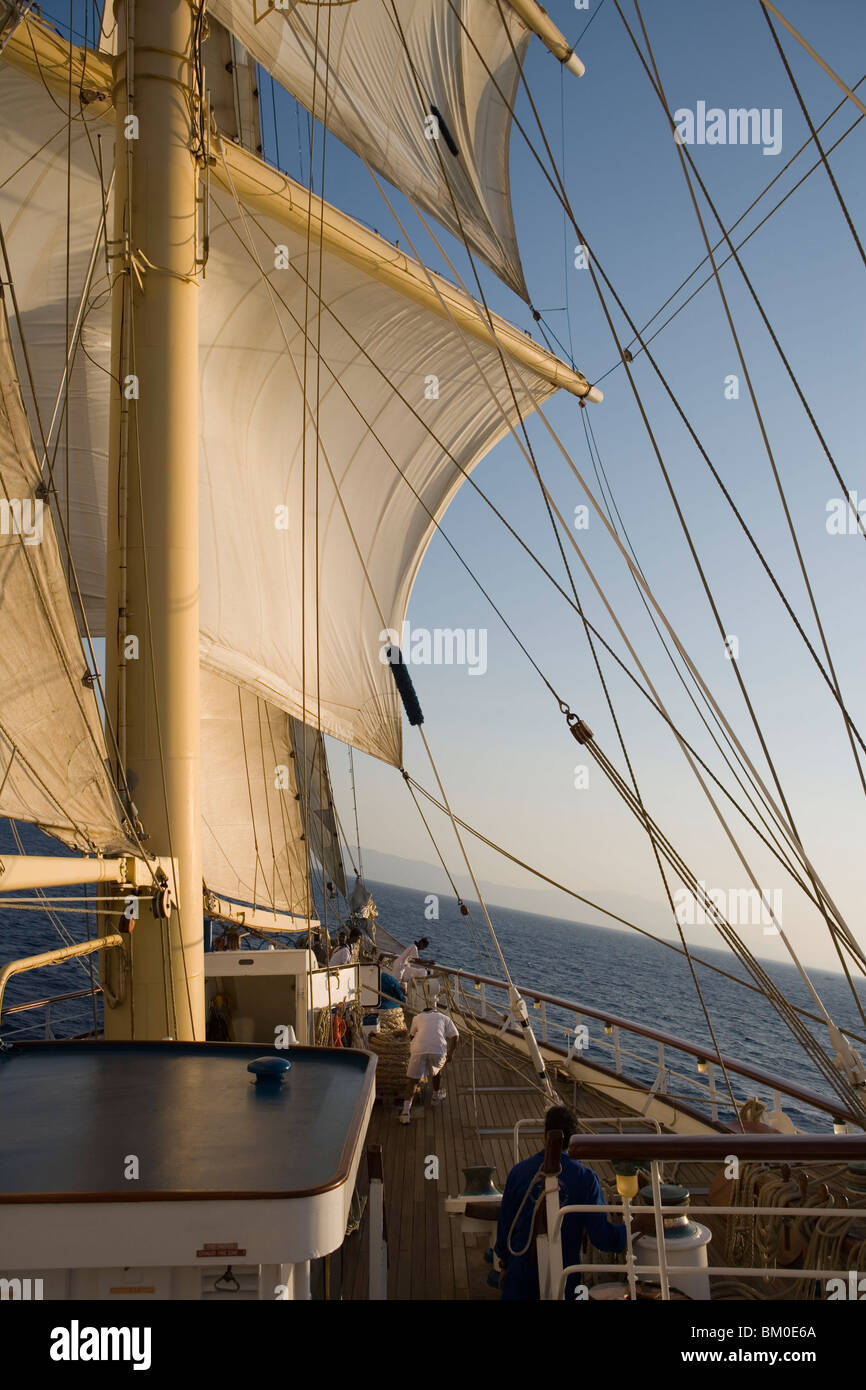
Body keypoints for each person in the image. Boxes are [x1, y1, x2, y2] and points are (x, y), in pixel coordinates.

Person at [494, 1105, 631, 1300]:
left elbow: (505, 1227)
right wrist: (632, 1228)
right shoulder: (586, 1179)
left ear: (545, 1135)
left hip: (519, 1280)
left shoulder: (518, 1172)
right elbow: (602, 1238)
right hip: (565, 1282)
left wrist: (504, 1267)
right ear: (574, 1138)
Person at [399, 1000, 458, 1123]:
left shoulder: (416, 1018)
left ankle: (405, 1113)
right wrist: (451, 1052)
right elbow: (455, 1035)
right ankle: (435, 1097)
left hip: (419, 1049)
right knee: (437, 1073)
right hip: (438, 1049)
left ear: (423, 1012)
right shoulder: (444, 1017)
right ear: (435, 1011)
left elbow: (411, 1036)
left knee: (413, 1081)